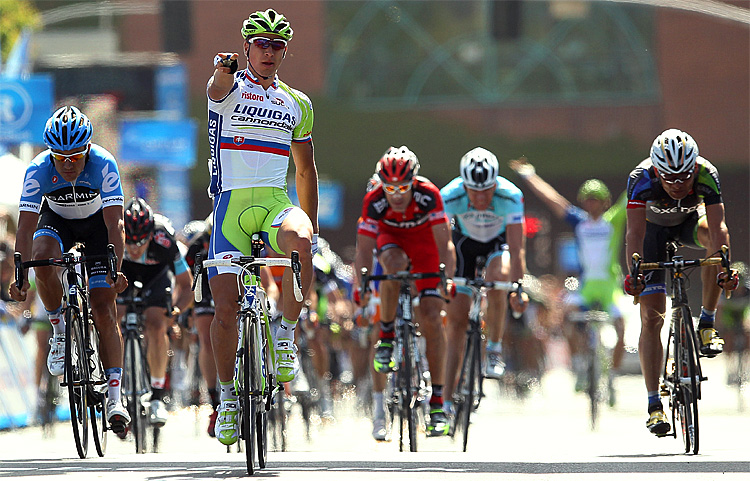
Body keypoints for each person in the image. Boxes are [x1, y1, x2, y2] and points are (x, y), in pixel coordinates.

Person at [206, 8, 318, 445]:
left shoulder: (297, 103)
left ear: (285, 51)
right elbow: (215, 88)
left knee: (301, 240)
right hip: (230, 207)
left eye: (277, 45)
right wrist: (222, 67)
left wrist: (314, 227)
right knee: (224, 309)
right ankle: (229, 396)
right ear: (247, 47)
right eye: (261, 44)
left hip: (274, 203)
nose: (269, 52)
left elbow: (305, 172)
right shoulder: (228, 84)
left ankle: (285, 333)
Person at [9, 105, 131, 434]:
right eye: (60, 158)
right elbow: (24, 228)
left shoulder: (104, 164)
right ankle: (59, 331)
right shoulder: (37, 169)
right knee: (41, 255)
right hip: (57, 223)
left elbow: (115, 223)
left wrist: (114, 268)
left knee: (104, 307)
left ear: (88, 149)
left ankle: (115, 396)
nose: (67, 165)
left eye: (75, 157)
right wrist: (20, 275)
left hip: (96, 229)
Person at [623, 128, 739, 436]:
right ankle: (653, 405)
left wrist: (724, 268)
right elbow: (633, 235)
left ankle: (707, 324)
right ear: (657, 170)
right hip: (651, 234)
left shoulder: (706, 172)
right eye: (669, 178)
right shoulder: (641, 178)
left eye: (684, 178)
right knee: (651, 317)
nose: (677, 185)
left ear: (693, 169)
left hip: (689, 223)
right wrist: (633, 274)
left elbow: (719, 228)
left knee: (712, 247)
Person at [354, 145, 456, 437]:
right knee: (392, 266)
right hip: (393, 242)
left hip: (425, 246)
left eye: (403, 187)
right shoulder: (374, 200)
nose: (396, 194)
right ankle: (386, 335)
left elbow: (445, 244)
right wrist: (361, 284)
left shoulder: (429, 195)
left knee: (433, 318)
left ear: (414, 182)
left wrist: (446, 278)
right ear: (380, 184)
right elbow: (363, 250)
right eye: (390, 188)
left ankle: (437, 402)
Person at [509, 158, 627, 395]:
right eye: (588, 200)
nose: (592, 204)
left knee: (621, 328)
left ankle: (612, 376)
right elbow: (553, 200)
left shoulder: (613, 220)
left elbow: (631, 194)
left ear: (605, 202)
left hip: (610, 287)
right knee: (566, 317)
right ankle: (581, 366)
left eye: (597, 200)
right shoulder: (579, 222)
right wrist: (529, 175)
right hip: (585, 287)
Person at [441, 147, 528, 417]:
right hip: (463, 246)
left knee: (498, 278)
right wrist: (445, 280)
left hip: (497, 245)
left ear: (495, 185)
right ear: (463, 186)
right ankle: (443, 402)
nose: (480, 197)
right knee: (455, 322)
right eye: (473, 191)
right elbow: (443, 244)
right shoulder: (449, 195)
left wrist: (518, 287)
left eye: (486, 191)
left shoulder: (510, 195)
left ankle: (494, 348)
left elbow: (517, 248)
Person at [117, 198, 193, 428]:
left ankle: (157, 396)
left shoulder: (165, 241)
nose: (133, 248)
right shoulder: (115, 237)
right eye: (129, 242)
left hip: (156, 278)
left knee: (157, 323)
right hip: (125, 275)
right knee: (112, 315)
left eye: (140, 242)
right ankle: (114, 388)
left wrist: (176, 311)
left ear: (151, 235)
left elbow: (186, 284)